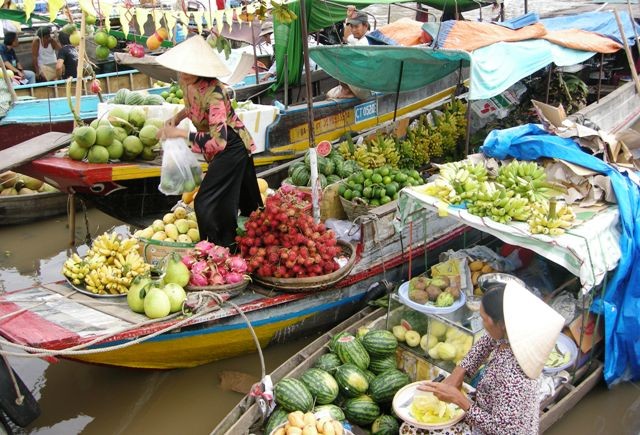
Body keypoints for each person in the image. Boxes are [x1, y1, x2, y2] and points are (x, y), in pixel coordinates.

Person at [410, 282, 565, 434]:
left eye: (484, 319)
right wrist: (459, 372)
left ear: (501, 324)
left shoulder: (512, 375)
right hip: (492, 408)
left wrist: (459, 400)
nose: (482, 324)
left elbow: (503, 430)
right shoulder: (511, 334)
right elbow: (487, 340)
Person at [155, 35, 262, 248]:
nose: (183, 74)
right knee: (245, 201)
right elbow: (193, 105)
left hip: (231, 145)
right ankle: (238, 244)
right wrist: (178, 117)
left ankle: (216, 250)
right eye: (181, 69)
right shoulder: (185, 81)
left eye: (188, 70)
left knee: (206, 201)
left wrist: (182, 134)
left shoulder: (215, 93)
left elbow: (219, 141)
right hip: (218, 146)